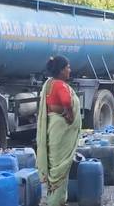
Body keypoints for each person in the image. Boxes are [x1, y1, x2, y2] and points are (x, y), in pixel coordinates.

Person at [36, 55, 82, 206]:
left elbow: (52, 106)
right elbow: (66, 101)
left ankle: (54, 199)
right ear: (61, 70)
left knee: (54, 166)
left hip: (52, 128)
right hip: (60, 130)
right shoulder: (60, 85)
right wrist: (68, 114)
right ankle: (57, 202)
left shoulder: (48, 84)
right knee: (61, 167)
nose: (70, 70)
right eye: (68, 67)